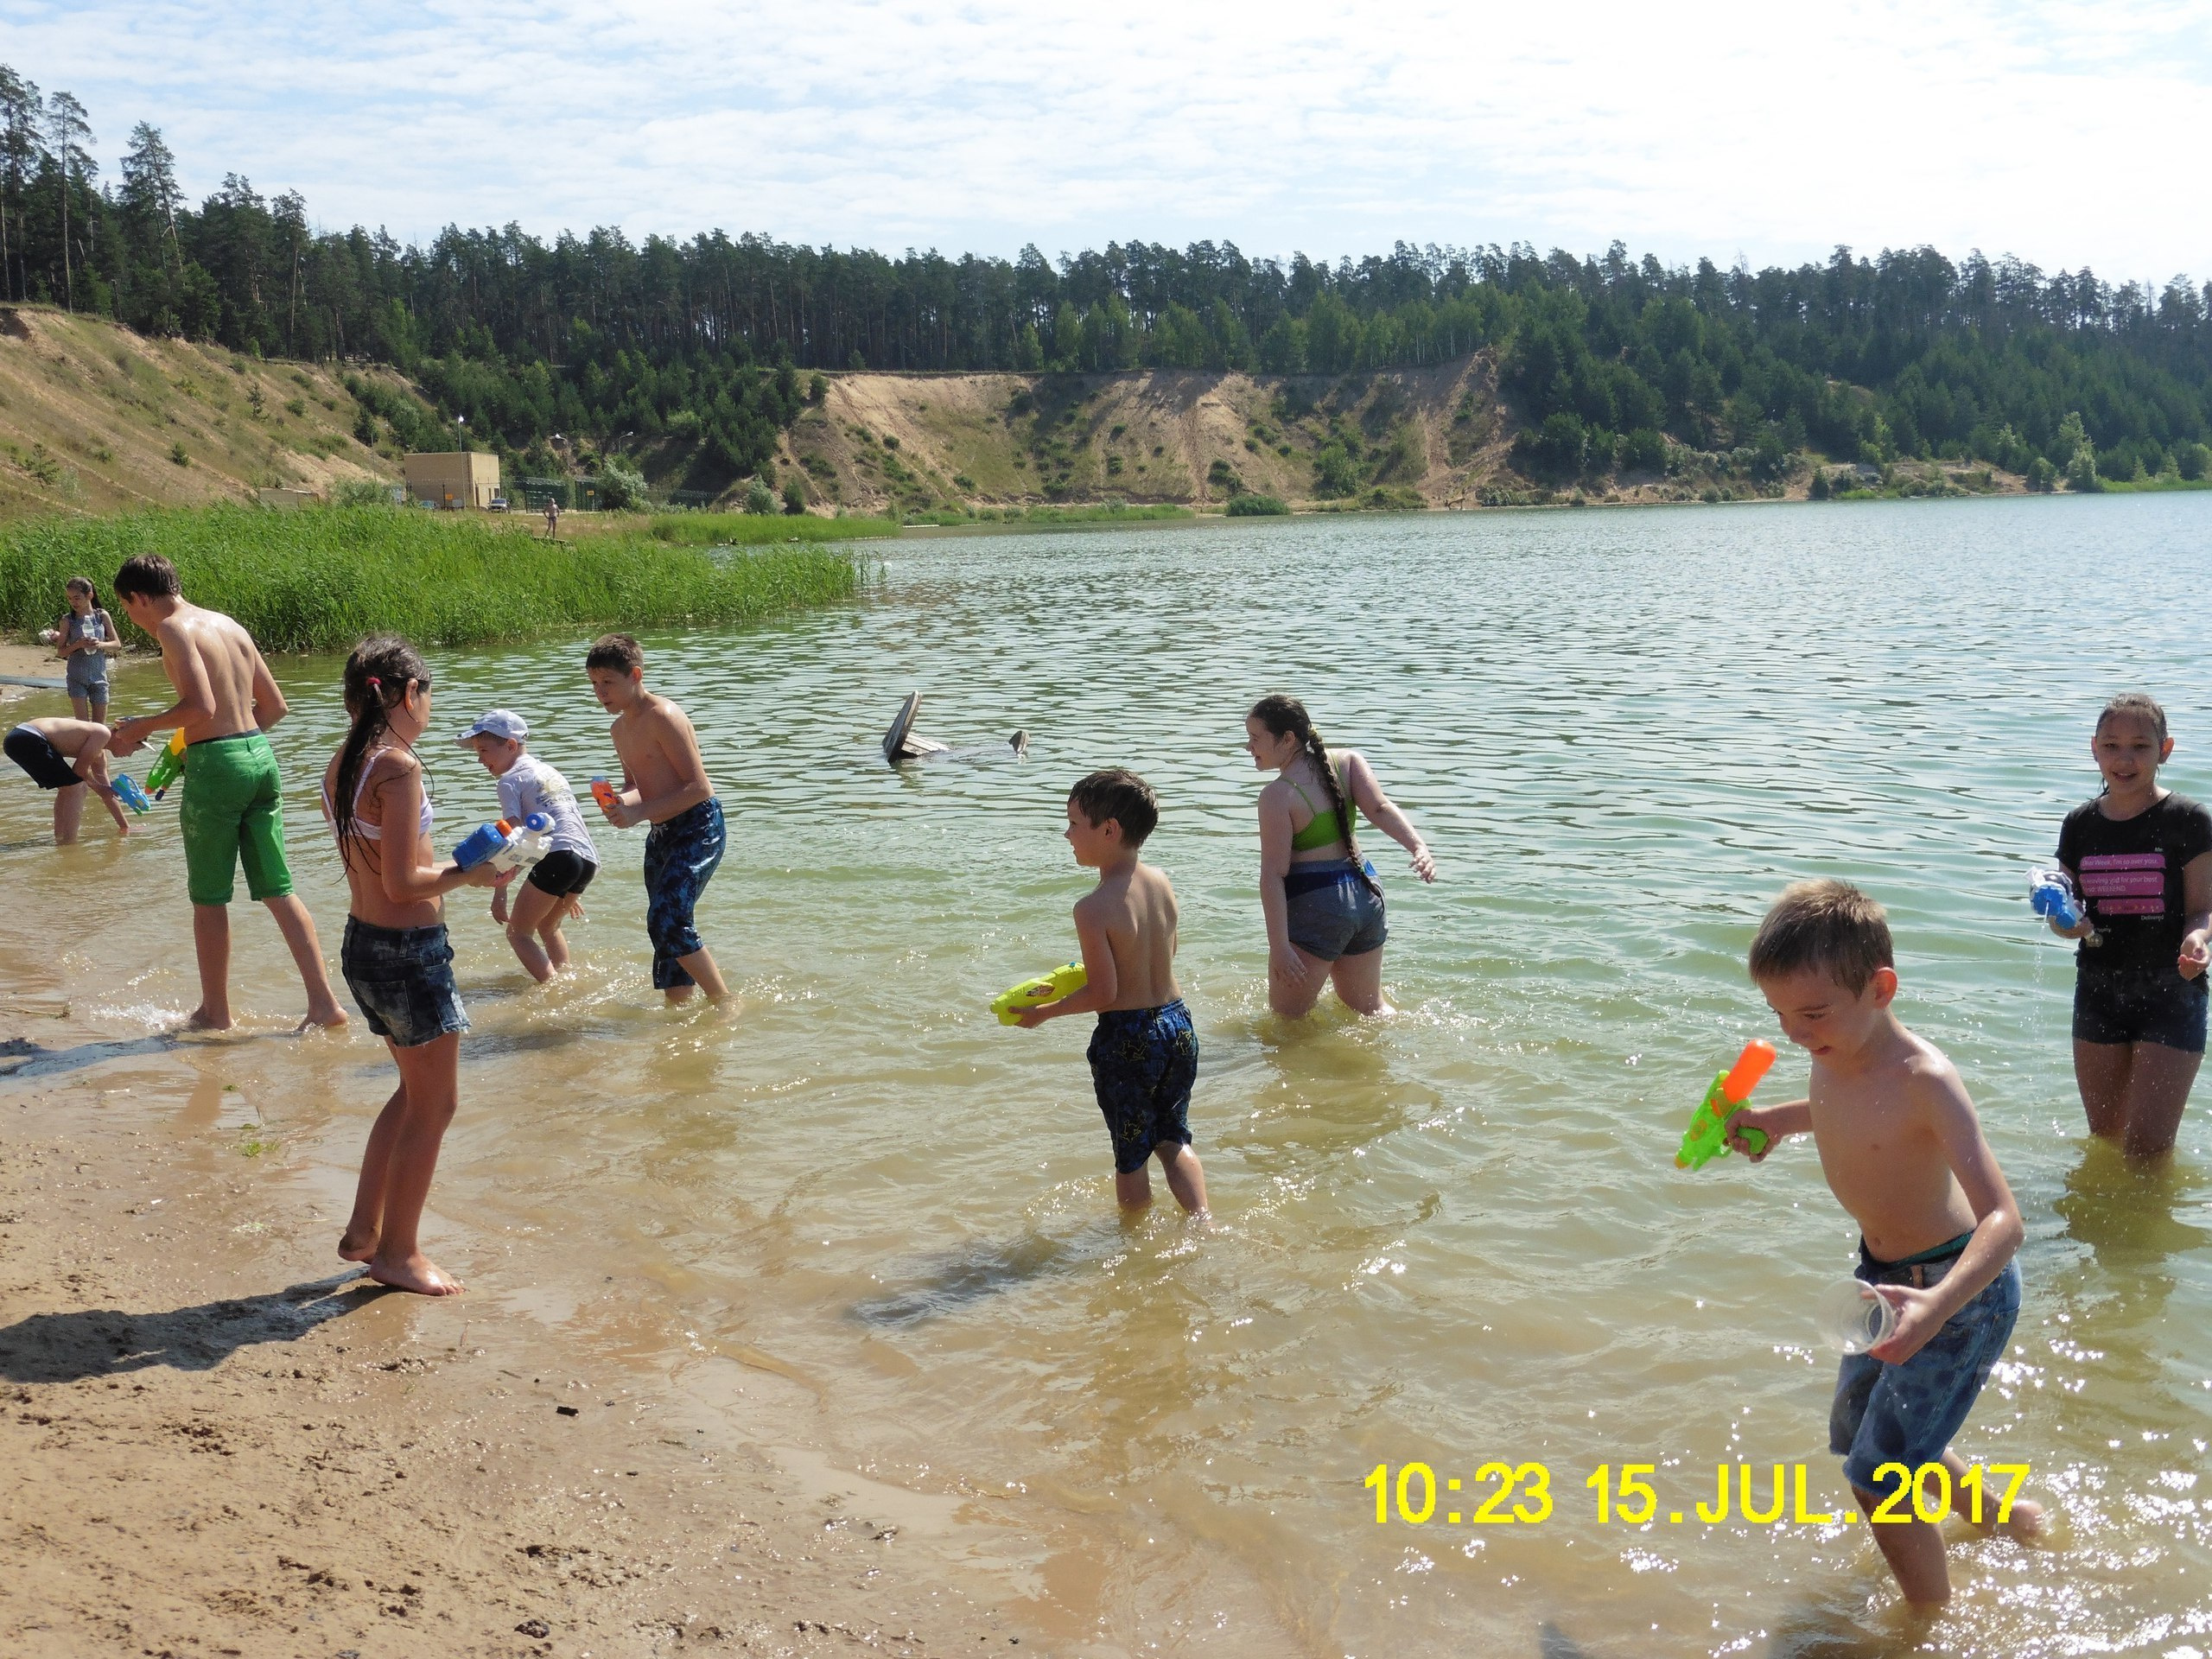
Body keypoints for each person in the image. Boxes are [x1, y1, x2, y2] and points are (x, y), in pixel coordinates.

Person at [1724, 880, 2041, 1608]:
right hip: (1883, 1278)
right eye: (1779, 1015)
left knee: (1878, 1472)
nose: (1796, 1033)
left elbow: (2006, 1221)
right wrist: (1775, 1120)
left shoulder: (1924, 1079)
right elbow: (1840, 1110)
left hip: (1958, 1292)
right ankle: (2008, 1520)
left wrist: (1934, 1306)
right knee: (1863, 1434)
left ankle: (1929, 1626)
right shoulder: (1835, 1047)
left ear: (1880, 988)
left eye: (1810, 1014)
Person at [105, 553, 346, 1031]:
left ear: (139, 597)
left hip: (218, 768)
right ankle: (325, 1005)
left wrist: (139, 729)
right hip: (259, 757)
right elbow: (274, 707)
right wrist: (212, 742)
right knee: (279, 890)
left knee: (210, 897)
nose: (130, 618)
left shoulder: (173, 629)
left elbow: (200, 705)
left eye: (127, 608)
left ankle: (216, 1012)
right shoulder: (228, 624)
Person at [321, 635, 492, 1296]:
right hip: (407, 953)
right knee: (437, 1104)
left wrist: (449, 871)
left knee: (410, 1093)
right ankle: (398, 1254)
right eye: (427, 696)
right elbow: (404, 882)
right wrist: (467, 874)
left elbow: (377, 874)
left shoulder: (345, 761)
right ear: (409, 693)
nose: (428, 710)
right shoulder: (397, 766)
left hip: (363, 946)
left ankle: (366, 1231)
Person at [1015, 769, 1208, 1216]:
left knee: (1130, 1153)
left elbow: (1104, 993)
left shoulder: (1092, 908)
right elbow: (1166, 950)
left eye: (1074, 824)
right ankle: (1202, 1222)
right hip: (1178, 1026)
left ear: (1109, 830)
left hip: (1129, 1038)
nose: (1067, 835)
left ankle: (1134, 1251)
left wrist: (1044, 1011)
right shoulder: (1161, 882)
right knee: (1172, 1136)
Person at [2047, 692, 2212, 1158]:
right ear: (2094, 748)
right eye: (2111, 745)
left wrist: (2198, 939)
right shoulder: (2079, 824)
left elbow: (2203, 908)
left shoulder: (2189, 819)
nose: (2124, 759)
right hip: (2097, 990)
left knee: (2148, 1149)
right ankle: (2105, 1232)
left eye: (2140, 746)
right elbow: (2068, 912)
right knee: (2104, 1142)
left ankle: (2147, 1225)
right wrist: (2067, 924)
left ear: (2166, 749)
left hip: (2172, 990)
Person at [1244, 693, 1435, 1017]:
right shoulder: (1348, 762)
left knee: (1287, 1021)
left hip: (1318, 902)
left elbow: (1273, 875)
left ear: (1288, 739)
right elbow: (1381, 808)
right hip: (1367, 891)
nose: (1248, 747)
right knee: (1370, 1010)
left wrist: (1279, 948)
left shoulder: (1277, 795)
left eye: (1255, 738)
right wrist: (1419, 846)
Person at [584, 632, 728, 1003]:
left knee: (667, 917)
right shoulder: (619, 729)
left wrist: (638, 812)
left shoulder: (663, 716)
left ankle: (724, 1001)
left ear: (635, 675)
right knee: (663, 924)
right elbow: (636, 785)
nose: (600, 692)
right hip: (662, 830)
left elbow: (699, 788)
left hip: (698, 826)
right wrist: (621, 802)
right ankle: (678, 1007)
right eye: (594, 684)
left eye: (608, 683)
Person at [454, 708, 599, 982]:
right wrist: (569, 884)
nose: (479, 759)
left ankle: (554, 990)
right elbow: (569, 823)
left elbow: (516, 840)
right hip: (586, 859)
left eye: (484, 750)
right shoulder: (549, 771)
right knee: (548, 926)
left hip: (559, 857)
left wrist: (500, 891)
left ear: (510, 745)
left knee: (518, 933)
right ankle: (567, 982)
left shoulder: (509, 780)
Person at [4, 715, 130, 842]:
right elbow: (79, 771)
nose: (130, 754)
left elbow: (107, 795)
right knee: (77, 788)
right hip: (28, 738)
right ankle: (69, 844)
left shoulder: (100, 754)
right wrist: (99, 788)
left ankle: (59, 838)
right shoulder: (102, 733)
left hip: (17, 737)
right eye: (134, 748)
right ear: (124, 738)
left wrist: (125, 827)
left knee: (68, 789)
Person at [51, 576, 120, 722]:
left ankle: (98, 747)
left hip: (99, 677)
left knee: (99, 728)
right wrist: (78, 645)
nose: (73, 602)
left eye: (77, 598)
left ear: (89, 595)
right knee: (83, 727)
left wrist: (100, 644)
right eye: (70, 599)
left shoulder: (102, 616)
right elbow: (61, 652)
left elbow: (116, 644)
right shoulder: (67, 620)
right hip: (77, 677)